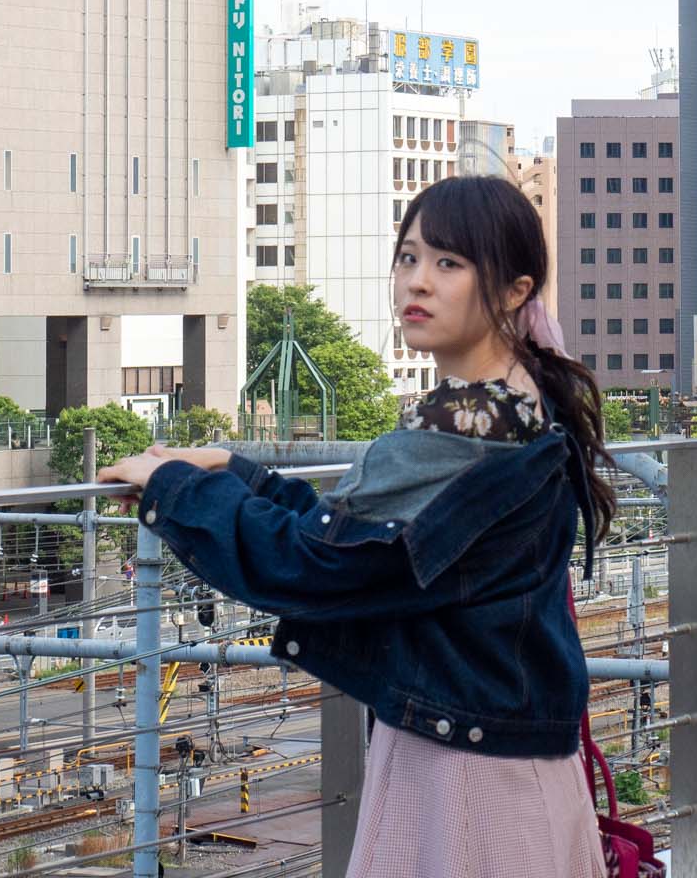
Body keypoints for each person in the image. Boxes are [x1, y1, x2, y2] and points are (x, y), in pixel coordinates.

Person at [103, 175, 614, 877]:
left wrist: (172, 490)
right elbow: (360, 542)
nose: (418, 281)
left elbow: (309, 566)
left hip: (464, 782)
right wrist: (237, 472)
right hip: (516, 763)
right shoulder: (521, 402)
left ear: (513, 291)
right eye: (409, 257)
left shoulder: (460, 431)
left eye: (449, 263)